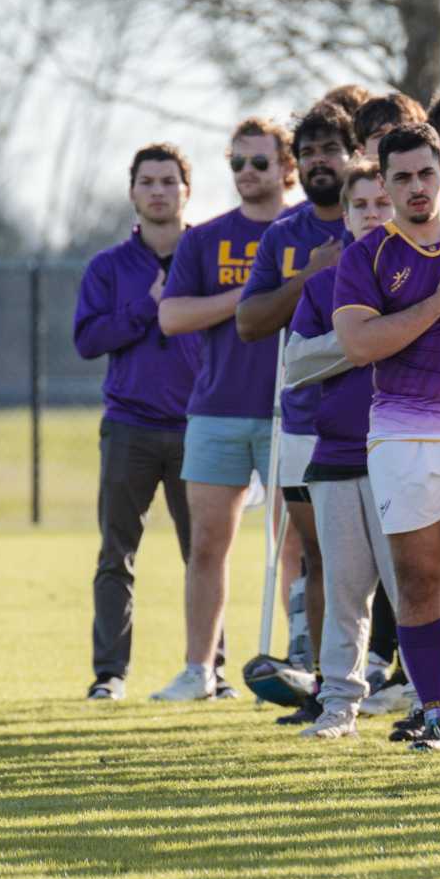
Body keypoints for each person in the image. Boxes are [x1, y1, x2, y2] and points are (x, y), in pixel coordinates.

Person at [330, 124, 440, 752]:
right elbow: (359, 344)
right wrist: (439, 304)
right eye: (400, 177)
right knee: (419, 578)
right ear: (385, 183)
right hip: (402, 435)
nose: (416, 187)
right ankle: (436, 713)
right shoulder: (366, 256)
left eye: (426, 174)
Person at [152, 116, 300, 701]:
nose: (246, 173)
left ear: (286, 168)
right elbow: (172, 316)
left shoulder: (305, 230)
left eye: (259, 162)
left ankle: (302, 663)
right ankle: (200, 670)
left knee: (295, 546)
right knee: (207, 545)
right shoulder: (205, 239)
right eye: (236, 162)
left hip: (290, 413)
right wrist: (252, 298)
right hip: (216, 410)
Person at [236, 100, 361, 694]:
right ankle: (321, 683)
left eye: (329, 149)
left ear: (353, 155)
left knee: (386, 559)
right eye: (307, 152)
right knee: (317, 556)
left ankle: (407, 684)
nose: (318, 161)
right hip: (302, 422)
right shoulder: (284, 236)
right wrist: (308, 276)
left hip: (372, 418)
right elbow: (250, 320)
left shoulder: (372, 218)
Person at [75, 144, 201, 700]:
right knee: (115, 554)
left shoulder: (205, 255)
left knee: (203, 555)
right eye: (147, 181)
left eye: (169, 181)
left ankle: (207, 670)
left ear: (186, 190)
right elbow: (87, 340)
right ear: (133, 192)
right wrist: (147, 306)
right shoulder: (107, 267)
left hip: (200, 426)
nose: (158, 190)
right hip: (128, 427)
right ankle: (110, 674)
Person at [287, 164, 400, 739]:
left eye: (384, 202)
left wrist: (394, 324)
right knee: (344, 590)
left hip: (406, 452)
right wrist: (367, 339)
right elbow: (297, 363)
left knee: (417, 589)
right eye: (362, 205)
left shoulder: (425, 273)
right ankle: (339, 707)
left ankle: (437, 705)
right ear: (347, 215)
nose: (375, 213)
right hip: (336, 453)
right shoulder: (322, 285)